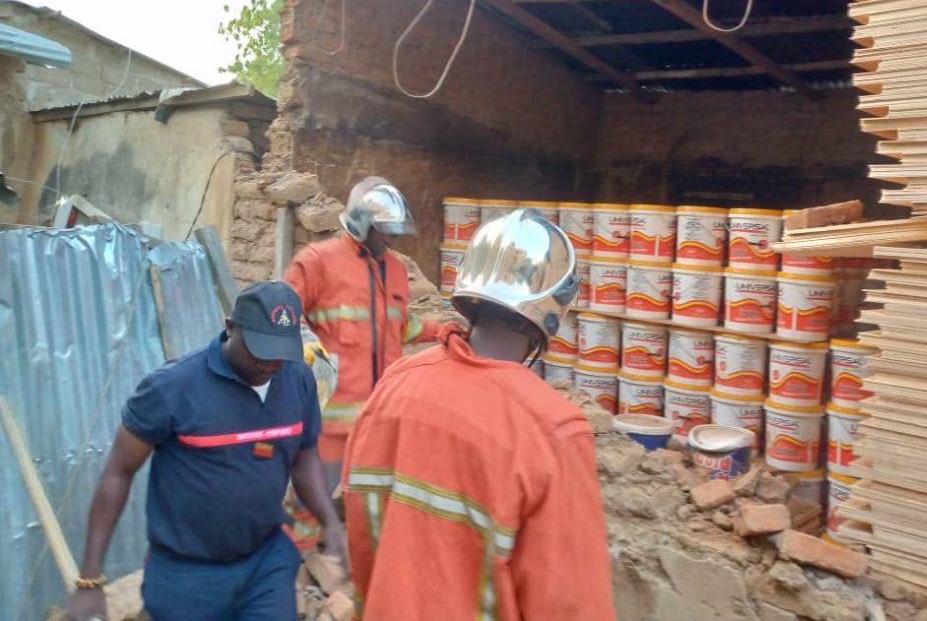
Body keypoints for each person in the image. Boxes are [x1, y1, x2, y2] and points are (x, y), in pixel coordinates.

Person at [342, 208, 616, 620]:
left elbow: (362, 536)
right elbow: (570, 604)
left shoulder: (397, 384)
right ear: (554, 309)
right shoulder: (553, 431)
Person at [67, 281, 345, 621]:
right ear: (230, 327)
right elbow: (117, 473)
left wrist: (329, 520)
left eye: (280, 351)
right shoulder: (172, 388)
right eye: (260, 348)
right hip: (186, 576)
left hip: (265, 562)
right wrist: (89, 579)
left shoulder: (298, 380)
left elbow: (304, 454)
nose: (270, 362)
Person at [283, 176, 440, 474]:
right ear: (361, 223)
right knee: (312, 511)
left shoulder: (395, 269)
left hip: (381, 419)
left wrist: (440, 331)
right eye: (385, 230)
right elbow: (282, 316)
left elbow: (398, 326)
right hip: (328, 425)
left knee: (368, 508)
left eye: (396, 231)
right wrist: (307, 347)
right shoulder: (317, 261)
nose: (392, 239)